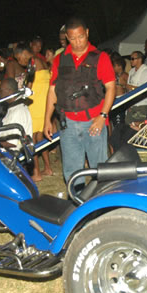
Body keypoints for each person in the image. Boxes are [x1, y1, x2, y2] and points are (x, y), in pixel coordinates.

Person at [43, 17, 116, 183]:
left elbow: (111, 88)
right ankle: (78, 204)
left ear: (87, 33)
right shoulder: (60, 59)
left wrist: (102, 117)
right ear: (67, 38)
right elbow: (53, 90)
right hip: (67, 123)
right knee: (72, 172)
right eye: (73, 38)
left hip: (93, 122)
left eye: (81, 37)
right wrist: (47, 119)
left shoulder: (100, 57)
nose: (78, 42)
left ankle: (100, 207)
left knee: (100, 171)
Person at [13, 42, 53, 181]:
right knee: (39, 137)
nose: (20, 62)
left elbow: (29, 86)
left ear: (24, 52)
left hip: (36, 104)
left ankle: (36, 173)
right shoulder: (40, 61)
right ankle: (47, 168)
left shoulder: (33, 62)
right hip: (42, 103)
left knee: (32, 139)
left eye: (19, 58)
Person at [0, 78, 33, 150]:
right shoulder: (14, 107)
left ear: (9, 91)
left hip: (12, 155)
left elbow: (12, 144)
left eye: (1, 90)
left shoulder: (18, 111)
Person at [126, 51, 147, 124]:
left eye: (132, 59)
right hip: (132, 105)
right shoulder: (131, 71)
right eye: (130, 58)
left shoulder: (145, 71)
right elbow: (128, 89)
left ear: (139, 59)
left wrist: (128, 86)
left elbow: (144, 90)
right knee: (128, 126)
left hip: (141, 106)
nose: (130, 61)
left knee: (136, 129)